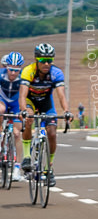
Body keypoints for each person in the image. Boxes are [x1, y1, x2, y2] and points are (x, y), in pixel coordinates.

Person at [18, 43, 71, 188]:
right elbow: (22, 95)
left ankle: (48, 169)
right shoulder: (28, 71)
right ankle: (27, 156)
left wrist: (66, 111)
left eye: (49, 60)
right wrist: (23, 110)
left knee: (52, 134)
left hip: (46, 103)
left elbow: (61, 95)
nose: (46, 63)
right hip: (30, 101)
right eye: (42, 60)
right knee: (28, 118)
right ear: (36, 59)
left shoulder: (56, 73)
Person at [1, 52, 26, 181]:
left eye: (16, 70)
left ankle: (17, 169)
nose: (13, 73)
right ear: (6, 67)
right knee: (1, 109)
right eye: (10, 69)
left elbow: (26, 96)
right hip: (3, 100)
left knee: (17, 134)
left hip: (16, 103)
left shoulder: (23, 78)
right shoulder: (1, 75)